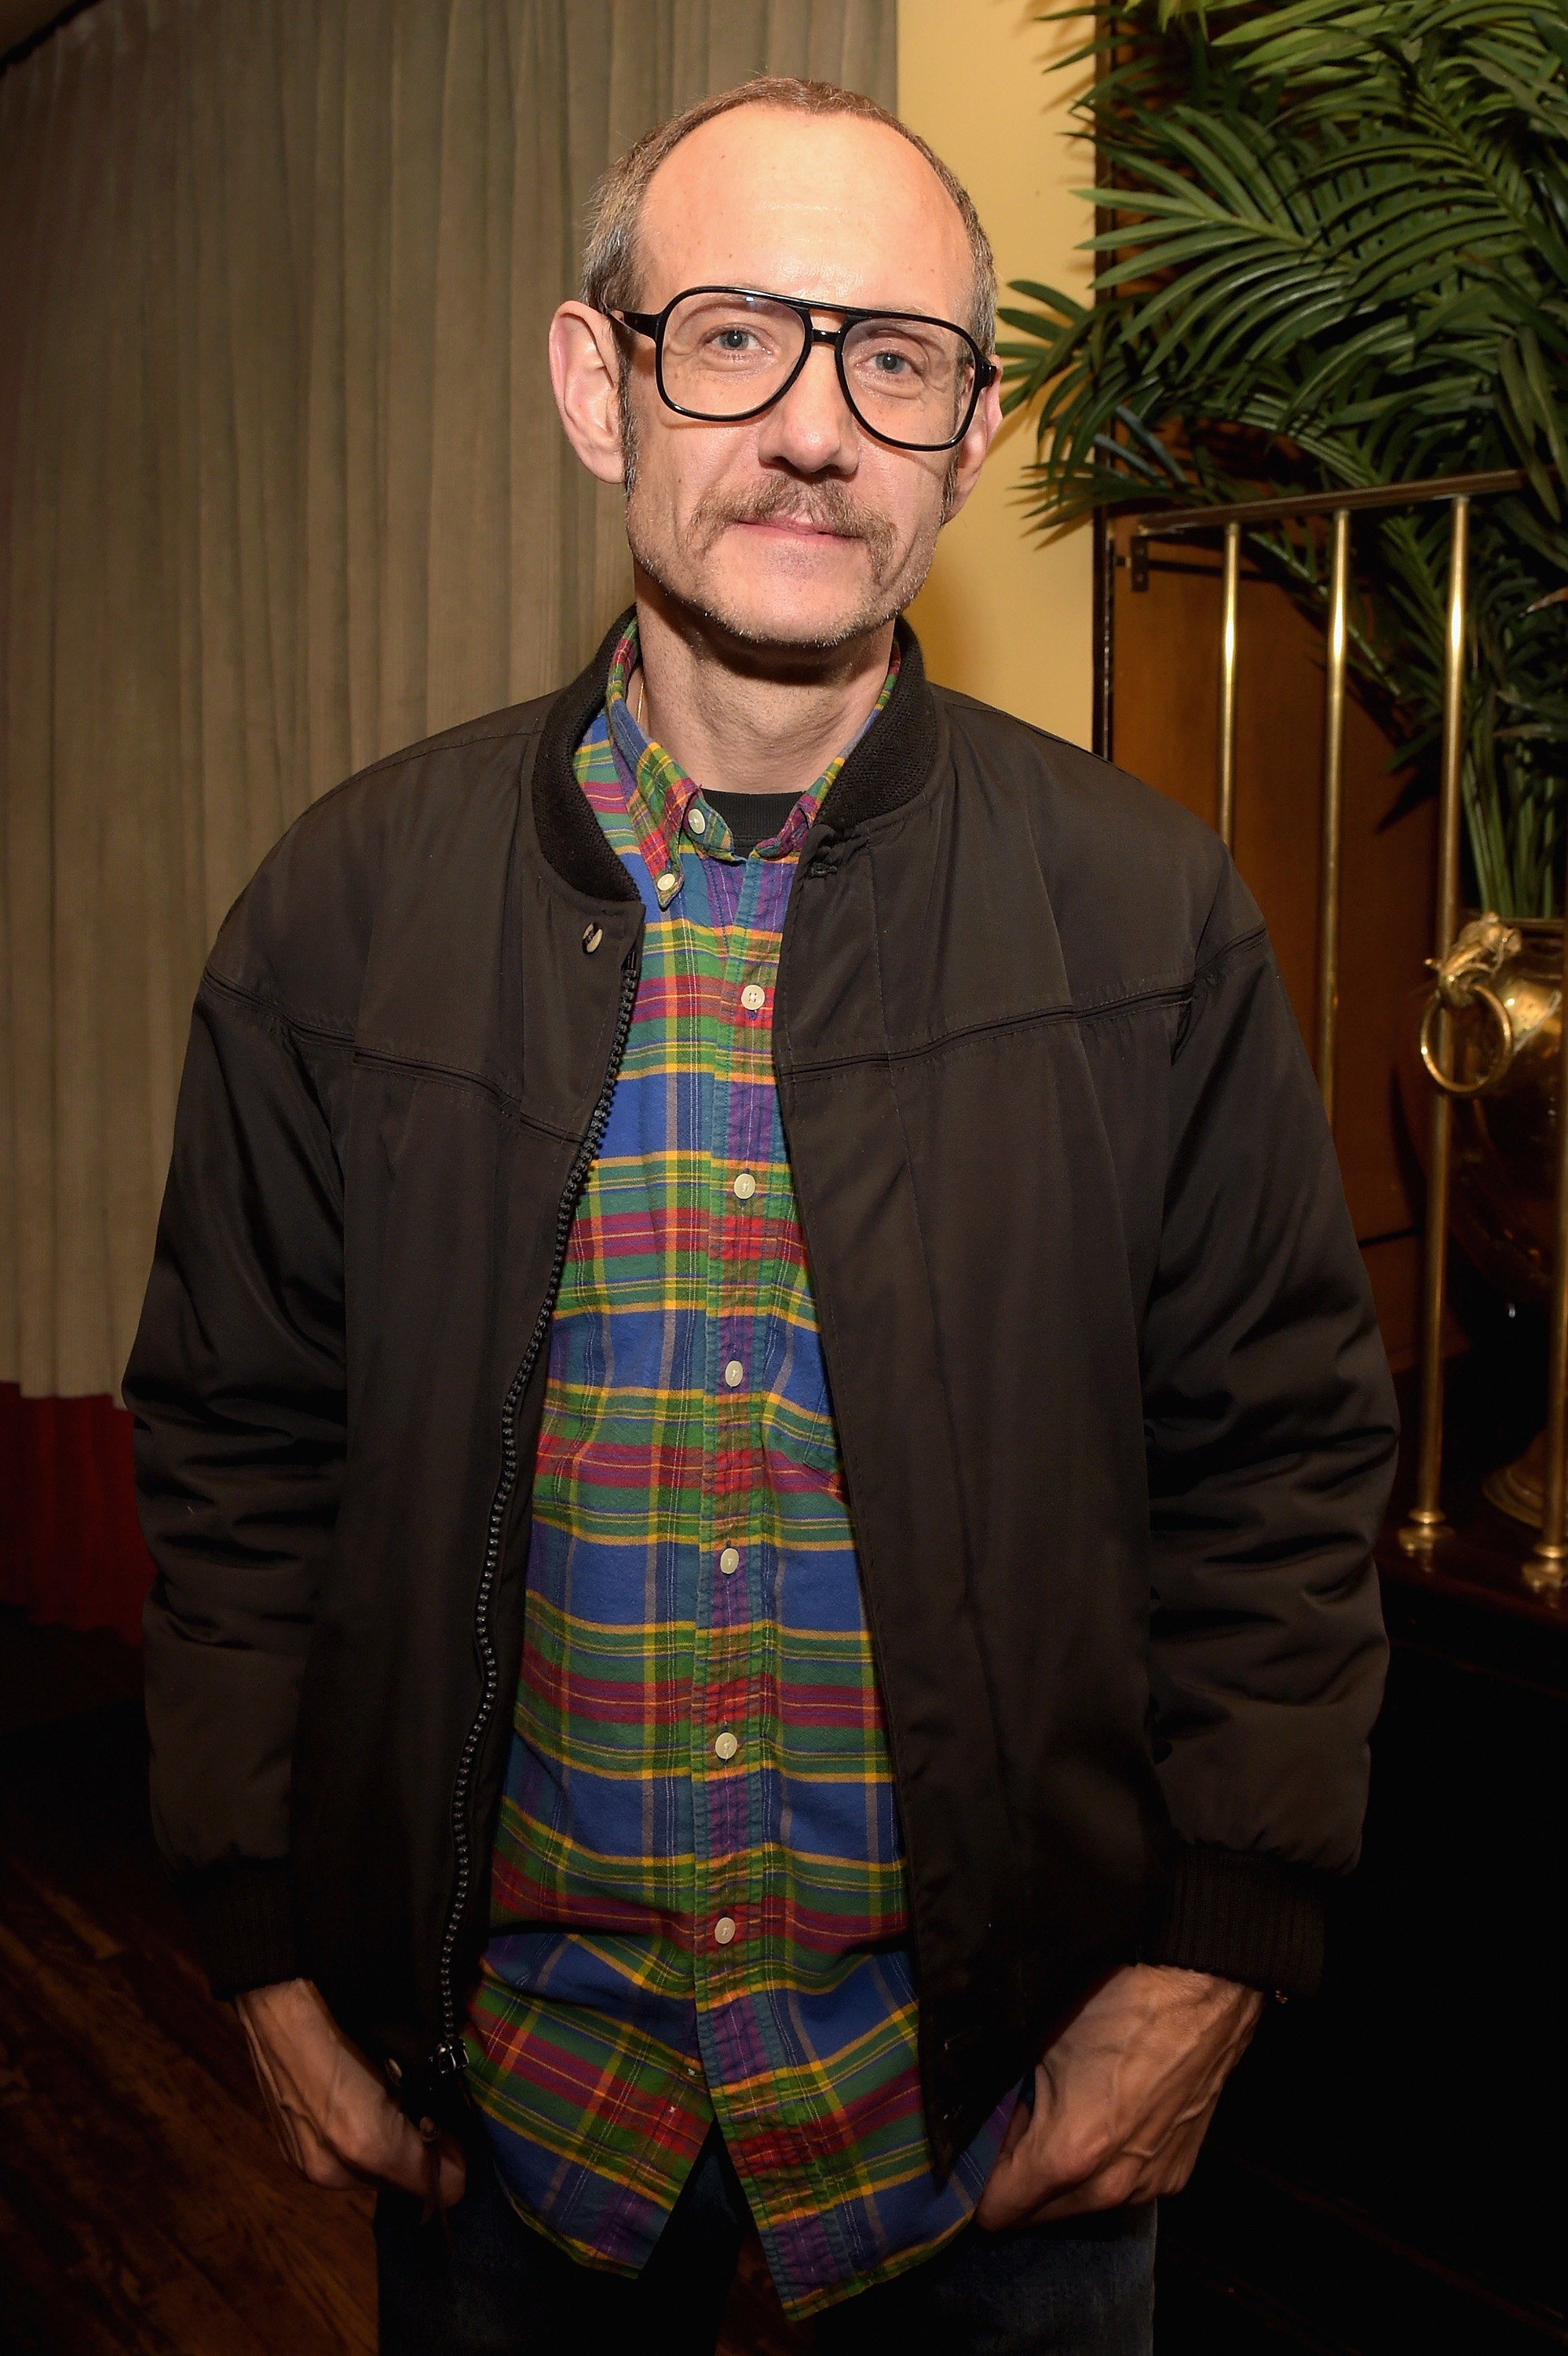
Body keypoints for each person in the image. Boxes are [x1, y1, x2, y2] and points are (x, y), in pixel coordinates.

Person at [124, 75, 1396, 2356]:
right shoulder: (342, 913)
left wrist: (1210, 1966)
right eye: (734, 335)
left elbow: (1279, 1470)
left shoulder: (1149, 919)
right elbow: (238, 1450)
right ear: (595, 384)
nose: (815, 426)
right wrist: (261, 1954)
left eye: (891, 358)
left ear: (970, 440)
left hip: (988, 2137)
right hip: (514, 2118)